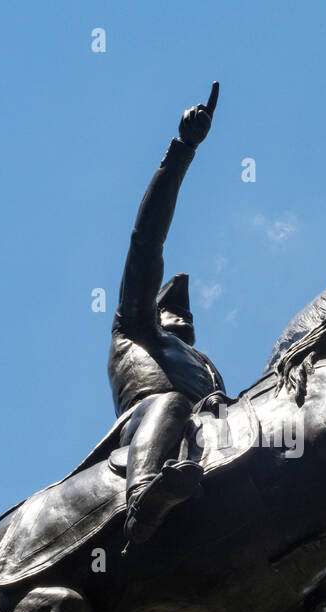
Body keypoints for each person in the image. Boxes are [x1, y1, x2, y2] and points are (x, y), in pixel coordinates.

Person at [109, 83, 226, 544]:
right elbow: (146, 240)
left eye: (188, 316)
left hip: (205, 433)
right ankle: (143, 495)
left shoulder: (204, 365)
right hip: (146, 424)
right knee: (171, 402)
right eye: (174, 311)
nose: (185, 320)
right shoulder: (133, 327)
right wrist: (183, 150)